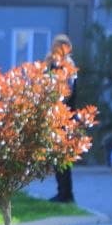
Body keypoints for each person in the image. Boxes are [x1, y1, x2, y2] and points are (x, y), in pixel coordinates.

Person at [48, 34, 78, 203]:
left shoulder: (68, 66)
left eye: (57, 47)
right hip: (55, 115)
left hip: (64, 117)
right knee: (56, 156)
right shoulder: (54, 64)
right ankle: (62, 191)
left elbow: (67, 91)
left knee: (62, 157)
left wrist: (58, 107)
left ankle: (66, 193)